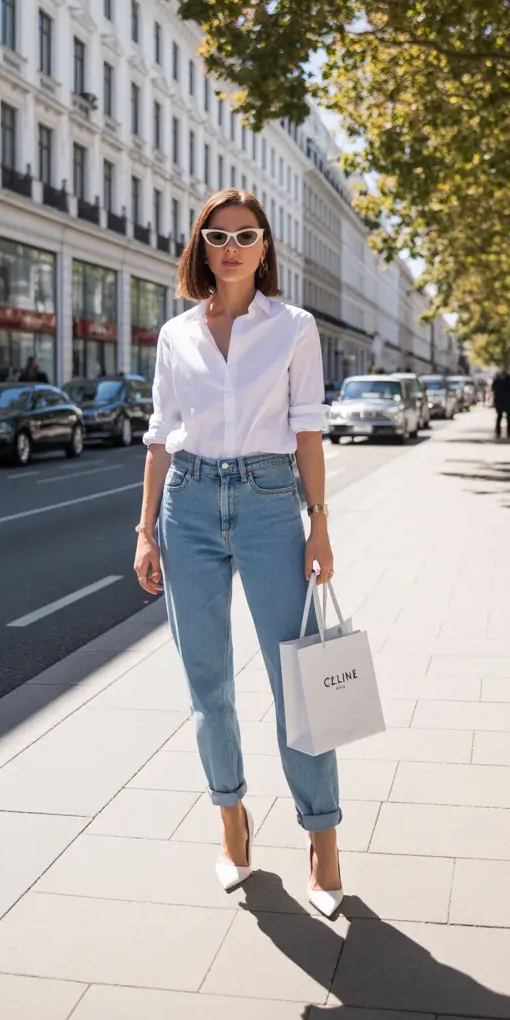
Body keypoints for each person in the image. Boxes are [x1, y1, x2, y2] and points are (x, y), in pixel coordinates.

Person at [134, 188, 342, 915]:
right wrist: (145, 530)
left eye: (245, 235)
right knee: (207, 682)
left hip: (267, 503)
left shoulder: (294, 328)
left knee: (299, 681)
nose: (231, 248)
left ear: (264, 248)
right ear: (200, 245)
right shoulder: (176, 334)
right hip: (187, 504)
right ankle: (232, 822)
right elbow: (160, 436)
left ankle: (322, 837)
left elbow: (308, 431)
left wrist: (319, 523)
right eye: (217, 236)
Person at [491, 366, 510, 438]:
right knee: (501, 416)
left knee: (506, 417)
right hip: (503, 400)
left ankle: (506, 431)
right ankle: (499, 431)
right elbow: (493, 390)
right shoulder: (506, 379)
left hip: (506, 400)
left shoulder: (509, 379)